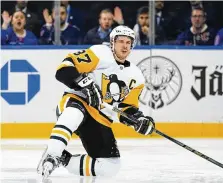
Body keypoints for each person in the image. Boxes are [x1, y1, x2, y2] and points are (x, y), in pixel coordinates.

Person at [37, 25, 155, 179]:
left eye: (128, 42)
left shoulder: (136, 76)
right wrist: (85, 83)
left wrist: (139, 121)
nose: (124, 45)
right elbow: (63, 69)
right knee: (73, 114)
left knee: (110, 167)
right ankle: (52, 154)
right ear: (112, 42)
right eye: (121, 41)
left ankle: (63, 158)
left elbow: (127, 109)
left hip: (100, 118)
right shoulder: (100, 53)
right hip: (77, 101)